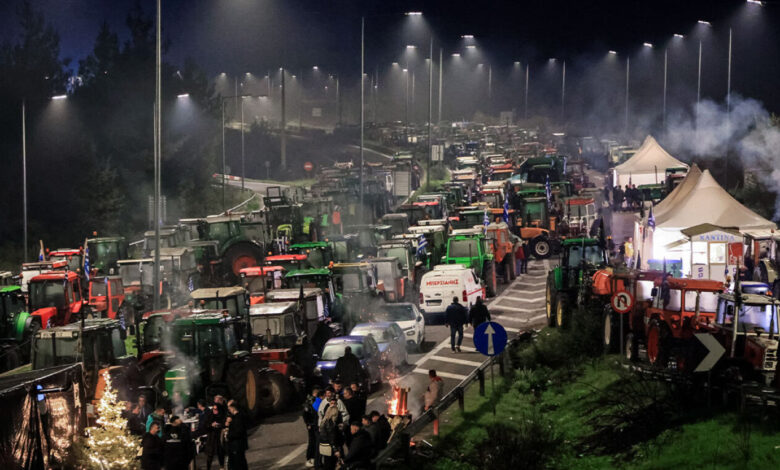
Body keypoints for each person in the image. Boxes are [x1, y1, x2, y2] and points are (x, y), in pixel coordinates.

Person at [317, 401, 343, 470]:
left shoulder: (324, 421)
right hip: (330, 448)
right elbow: (332, 438)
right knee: (330, 465)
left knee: (327, 464)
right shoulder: (330, 424)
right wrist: (336, 450)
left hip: (323, 447)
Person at [226, 401, 249, 470]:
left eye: (229, 407)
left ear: (233, 407)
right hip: (237, 446)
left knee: (238, 465)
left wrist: (228, 435)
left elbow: (238, 432)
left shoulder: (238, 418)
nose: (228, 409)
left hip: (237, 446)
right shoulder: (235, 417)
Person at [205, 400, 227, 470]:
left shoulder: (222, 414)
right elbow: (206, 425)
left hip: (219, 435)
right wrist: (211, 425)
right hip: (212, 436)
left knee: (221, 452)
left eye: (216, 409)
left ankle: (222, 467)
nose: (215, 411)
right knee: (210, 454)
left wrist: (219, 425)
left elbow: (225, 424)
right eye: (213, 409)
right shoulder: (210, 414)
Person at [303, 386, 322, 468]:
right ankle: (310, 458)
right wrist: (308, 424)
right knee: (312, 442)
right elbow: (305, 414)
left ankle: (315, 458)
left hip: (315, 424)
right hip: (312, 425)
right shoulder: (310, 402)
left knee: (316, 441)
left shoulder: (314, 401)